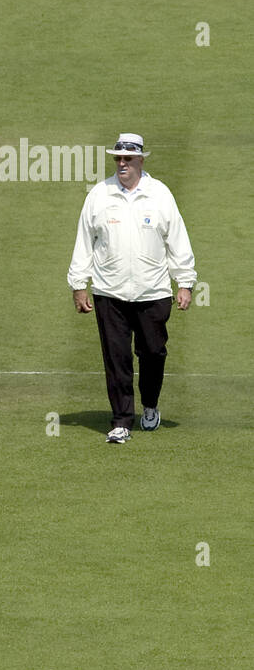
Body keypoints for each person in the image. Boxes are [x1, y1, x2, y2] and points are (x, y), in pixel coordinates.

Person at [68, 134, 196, 443]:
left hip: (153, 292)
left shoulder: (160, 194)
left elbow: (176, 239)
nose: (121, 163)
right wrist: (78, 284)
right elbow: (85, 241)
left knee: (153, 353)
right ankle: (122, 420)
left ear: (140, 160)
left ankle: (149, 406)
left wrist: (186, 282)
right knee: (116, 359)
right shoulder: (99, 195)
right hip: (109, 293)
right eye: (117, 158)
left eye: (127, 159)